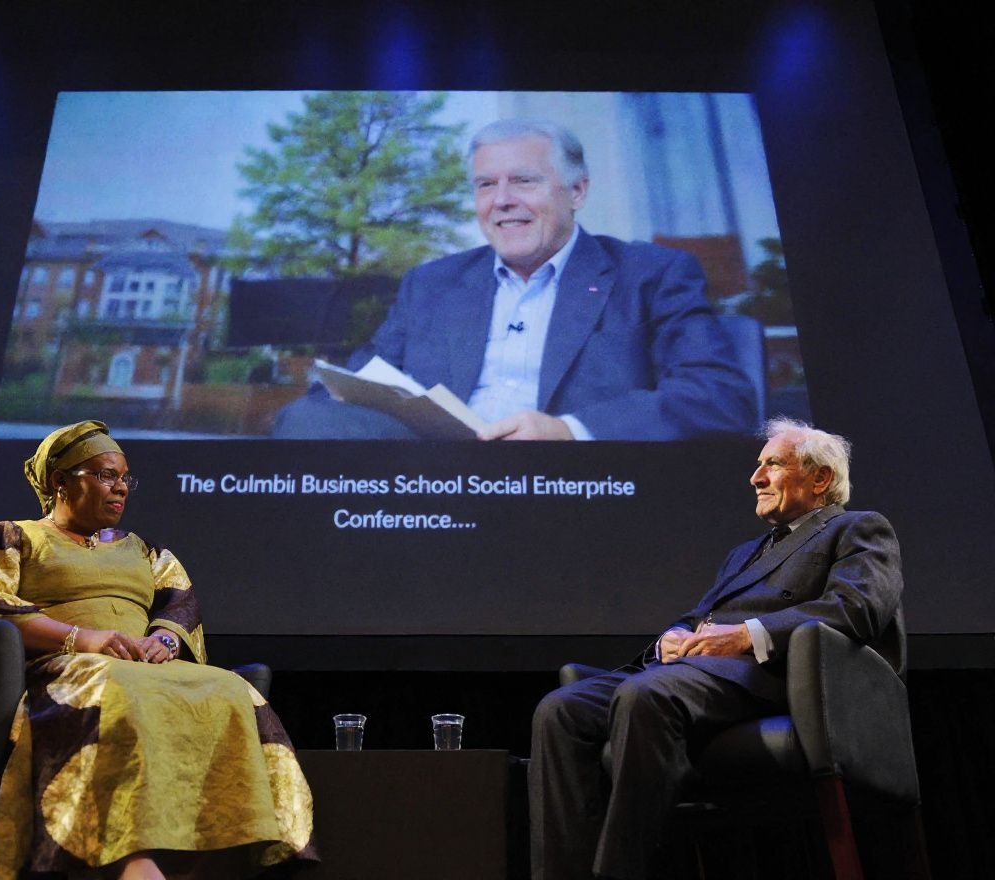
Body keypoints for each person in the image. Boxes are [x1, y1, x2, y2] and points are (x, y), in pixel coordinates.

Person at [0, 420, 317, 880]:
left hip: (143, 665)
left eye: (125, 478)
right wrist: (82, 639)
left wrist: (162, 641)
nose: (121, 488)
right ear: (60, 482)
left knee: (232, 690)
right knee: (115, 686)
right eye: (106, 475)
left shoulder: (148, 551)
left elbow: (180, 605)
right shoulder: (14, 537)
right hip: (62, 669)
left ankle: (237, 854)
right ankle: (132, 860)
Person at [528, 418, 904, 879]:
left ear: (820, 478)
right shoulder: (746, 551)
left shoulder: (857, 529)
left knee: (646, 696)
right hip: (693, 673)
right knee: (560, 710)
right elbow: (700, 615)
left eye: (773, 464)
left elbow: (857, 607)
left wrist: (747, 635)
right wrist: (675, 635)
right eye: (757, 465)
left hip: (772, 678)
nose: (756, 477)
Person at [273, 118, 758, 441]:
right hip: (431, 487)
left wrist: (567, 430)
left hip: (574, 489)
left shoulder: (652, 274)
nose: (501, 200)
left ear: (577, 191)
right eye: (486, 184)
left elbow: (719, 397)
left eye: (523, 181)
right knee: (307, 418)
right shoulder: (431, 283)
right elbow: (355, 385)